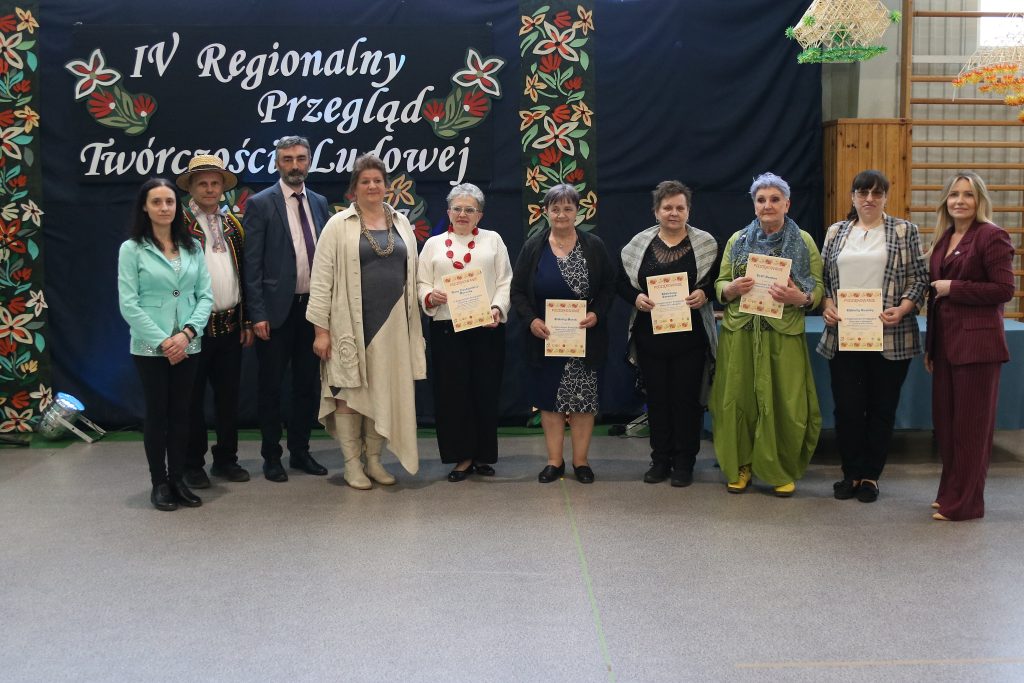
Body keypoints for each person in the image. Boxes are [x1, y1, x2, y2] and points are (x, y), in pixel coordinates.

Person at [307, 154, 426, 489]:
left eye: (378, 181)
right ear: (354, 188)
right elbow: (321, 280)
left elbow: (414, 273)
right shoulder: (338, 225)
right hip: (349, 325)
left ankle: (374, 461)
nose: (373, 186)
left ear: (386, 186)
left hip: (393, 327)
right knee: (349, 392)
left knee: (382, 391)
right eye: (365, 181)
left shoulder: (402, 223)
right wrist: (321, 331)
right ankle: (352, 465)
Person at [817, 170, 928, 503]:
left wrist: (904, 308)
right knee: (848, 409)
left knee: (882, 408)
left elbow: (919, 279)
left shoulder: (905, 231)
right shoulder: (836, 232)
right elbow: (822, 280)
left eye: (876, 193)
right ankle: (850, 473)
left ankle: (870, 476)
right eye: (863, 192)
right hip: (844, 335)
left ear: (885, 197)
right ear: (852, 196)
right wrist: (827, 305)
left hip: (891, 336)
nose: (869, 199)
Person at [709, 172, 823, 497]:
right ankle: (740, 466)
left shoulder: (804, 241)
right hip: (741, 333)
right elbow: (720, 284)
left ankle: (779, 469)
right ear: (754, 204)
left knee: (786, 404)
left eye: (775, 199)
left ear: (787, 204)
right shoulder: (737, 240)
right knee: (737, 401)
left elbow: (817, 288)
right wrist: (730, 288)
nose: (767, 205)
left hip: (782, 334)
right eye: (761, 200)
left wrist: (800, 297)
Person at [117, 178, 213, 511]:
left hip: (188, 345)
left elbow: (205, 296)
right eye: (156, 202)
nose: (164, 208)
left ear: (177, 206)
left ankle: (178, 479)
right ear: (145, 207)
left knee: (182, 414)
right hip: (150, 348)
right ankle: (159, 483)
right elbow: (129, 304)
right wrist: (164, 341)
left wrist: (187, 334)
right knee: (158, 415)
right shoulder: (132, 249)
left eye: (170, 201)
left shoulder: (192, 246)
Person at [510, 184, 614, 484]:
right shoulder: (533, 247)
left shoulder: (594, 245)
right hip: (546, 340)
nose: (561, 214)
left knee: (584, 403)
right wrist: (531, 320)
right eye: (555, 209)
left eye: (568, 208)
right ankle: (554, 462)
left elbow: (609, 286)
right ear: (545, 212)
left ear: (578, 212)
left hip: (584, 340)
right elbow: (517, 291)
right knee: (549, 402)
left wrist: (597, 313)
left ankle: (581, 462)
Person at [925, 172, 1014, 521]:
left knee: (971, 430)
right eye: (954, 194)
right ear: (945, 201)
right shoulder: (945, 238)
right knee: (947, 426)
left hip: (977, 348)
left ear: (980, 201)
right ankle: (951, 492)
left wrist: (954, 287)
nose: (959, 201)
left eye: (968, 195)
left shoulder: (992, 236)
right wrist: (931, 347)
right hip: (946, 347)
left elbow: (1003, 290)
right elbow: (935, 298)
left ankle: (967, 504)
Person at [618, 181, 719, 487]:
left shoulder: (706, 244)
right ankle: (660, 460)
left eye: (680, 207)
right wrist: (635, 298)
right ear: (656, 211)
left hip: (691, 339)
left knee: (687, 401)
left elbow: (718, 280)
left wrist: (705, 293)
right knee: (658, 401)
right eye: (667, 207)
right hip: (650, 338)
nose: (673, 213)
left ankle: (685, 463)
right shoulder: (638, 245)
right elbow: (619, 282)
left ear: (688, 210)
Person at [243, 136, 330, 483]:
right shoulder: (260, 203)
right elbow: (251, 265)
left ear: (309, 162)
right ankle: (271, 456)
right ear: (277, 163)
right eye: (288, 159)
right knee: (271, 387)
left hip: (312, 310)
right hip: (274, 314)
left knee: (306, 386)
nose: (295, 165)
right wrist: (257, 313)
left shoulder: (320, 202)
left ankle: (301, 451)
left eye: (301, 158)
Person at [417, 183, 512, 481]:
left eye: (469, 209)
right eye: (457, 208)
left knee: (485, 391)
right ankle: (461, 457)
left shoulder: (493, 240)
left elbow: (505, 281)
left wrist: (497, 308)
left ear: (479, 215)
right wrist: (429, 296)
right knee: (452, 394)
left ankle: (483, 455)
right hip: (447, 329)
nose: (462, 214)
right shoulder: (433, 245)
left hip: (486, 327)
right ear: (448, 212)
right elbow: (421, 283)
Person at [177, 154, 254, 489]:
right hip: (193, 328)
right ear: (191, 188)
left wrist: (246, 320)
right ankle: (192, 463)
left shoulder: (232, 225)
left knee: (228, 398)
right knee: (191, 399)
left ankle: (226, 458)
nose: (209, 189)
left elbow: (244, 274)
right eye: (202, 184)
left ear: (223, 187)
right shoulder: (179, 226)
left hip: (229, 325)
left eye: (214, 183)